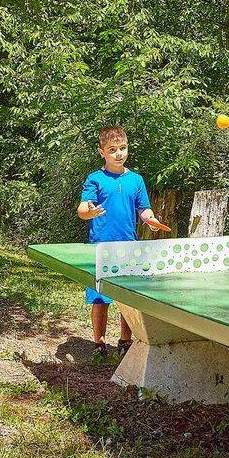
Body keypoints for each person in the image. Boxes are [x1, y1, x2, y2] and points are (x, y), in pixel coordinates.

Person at [77, 126, 166, 355]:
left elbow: (144, 209)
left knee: (126, 300)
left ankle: (125, 341)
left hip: (129, 248)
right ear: (102, 152)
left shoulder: (136, 180)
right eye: (113, 149)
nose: (119, 153)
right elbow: (82, 210)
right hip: (100, 247)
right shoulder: (94, 179)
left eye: (123, 148)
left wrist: (151, 220)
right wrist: (89, 212)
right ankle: (99, 344)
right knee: (100, 300)